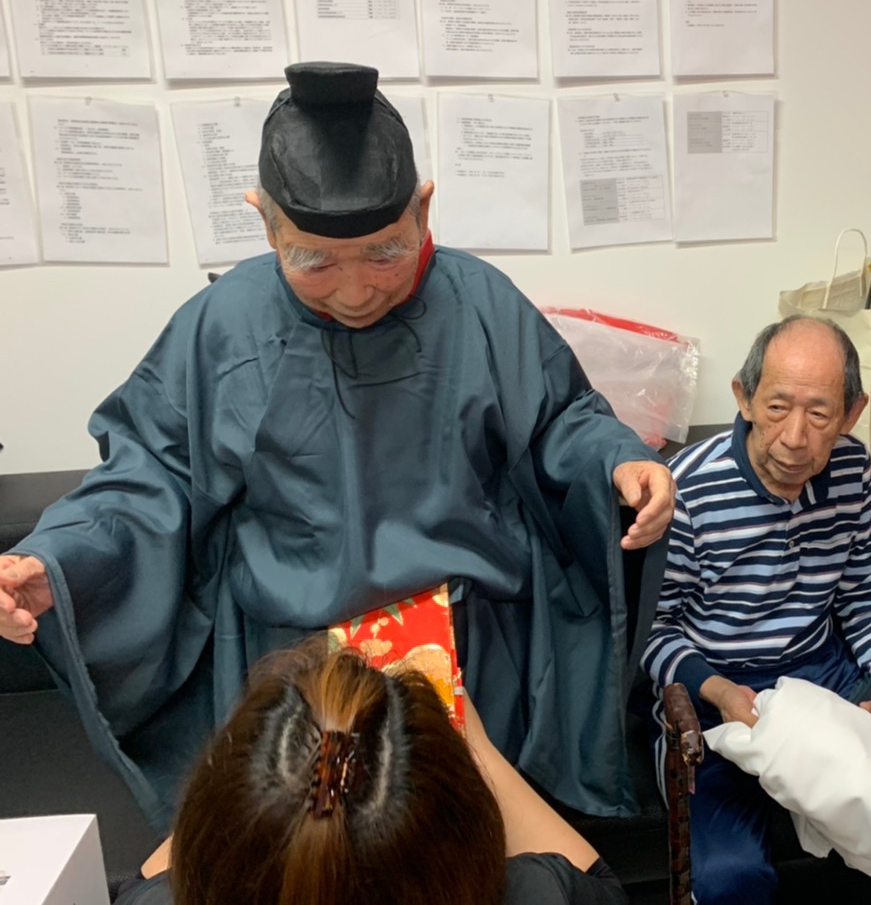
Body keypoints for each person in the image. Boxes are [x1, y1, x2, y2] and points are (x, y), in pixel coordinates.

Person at [0, 62, 675, 829]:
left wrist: (619, 459)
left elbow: (558, 420)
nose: (356, 291)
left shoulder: (481, 304)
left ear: (424, 208)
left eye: (385, 252)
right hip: (286, 666)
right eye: (315, 261)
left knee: (458, 852)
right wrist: (60, 557)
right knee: (303, 862)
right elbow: (148, 476)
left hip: (464, 654)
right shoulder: (223, 325)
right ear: (265, 223)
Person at [641, 316, 871, 904]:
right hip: (716, 693)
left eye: (820, 414)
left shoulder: (851, 469)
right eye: (777, 408)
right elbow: (654, 631)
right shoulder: (687, 490)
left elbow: (867, 592)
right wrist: (717, 689)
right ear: (744, 397)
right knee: (730, 878)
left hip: (823, 677)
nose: (795, 438)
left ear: (852, 413)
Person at [113, 644, 626, 905]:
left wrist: (248, 765)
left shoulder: (151, 901)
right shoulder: (539, 894)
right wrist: (480, 749)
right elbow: (600, 886)